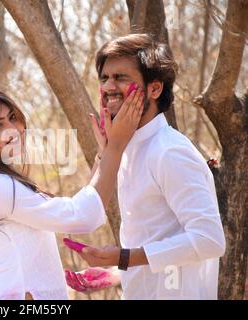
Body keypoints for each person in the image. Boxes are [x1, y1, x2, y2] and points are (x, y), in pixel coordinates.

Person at [0, 87, 143, 299]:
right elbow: (82, 215)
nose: (13, 129)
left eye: (12, 117)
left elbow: (78, 207)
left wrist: (104, 154)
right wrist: (115, 147)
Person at [65, 34, 226, 300]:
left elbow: (209, 240)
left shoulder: (170, 151)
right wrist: (116, 273)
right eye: (104, 78)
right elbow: (159, 239)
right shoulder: (126, 149)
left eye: (121, 77)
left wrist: (125, 258)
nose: (108, 87)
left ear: (154, 89)